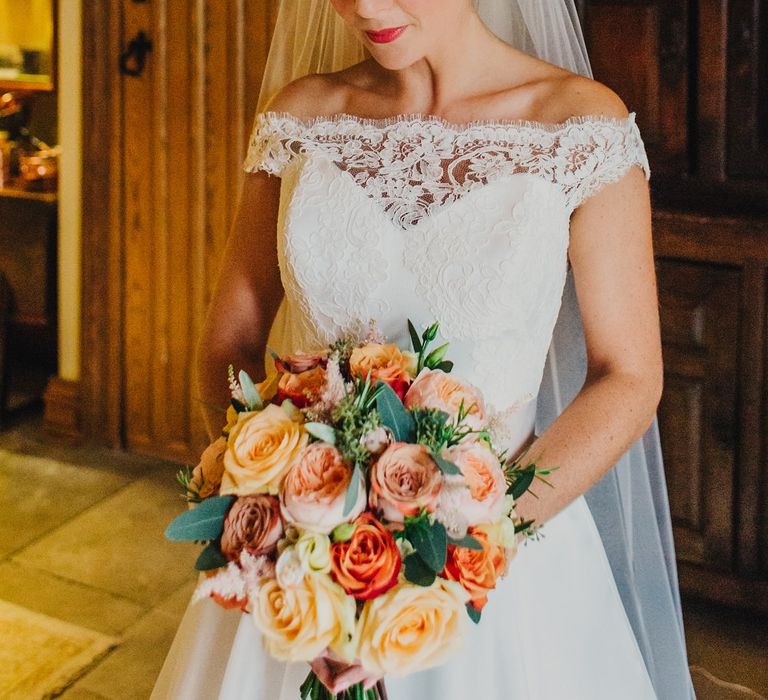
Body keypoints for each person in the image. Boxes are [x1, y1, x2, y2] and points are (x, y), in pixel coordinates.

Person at [152, 1, 696, 698]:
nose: (366, 7)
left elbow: (629, 377)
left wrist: (460, 554)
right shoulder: (304, 115)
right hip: (308, 568)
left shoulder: (580, 127)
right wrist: (276, 515)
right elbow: (230, 340)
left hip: (503, 564)